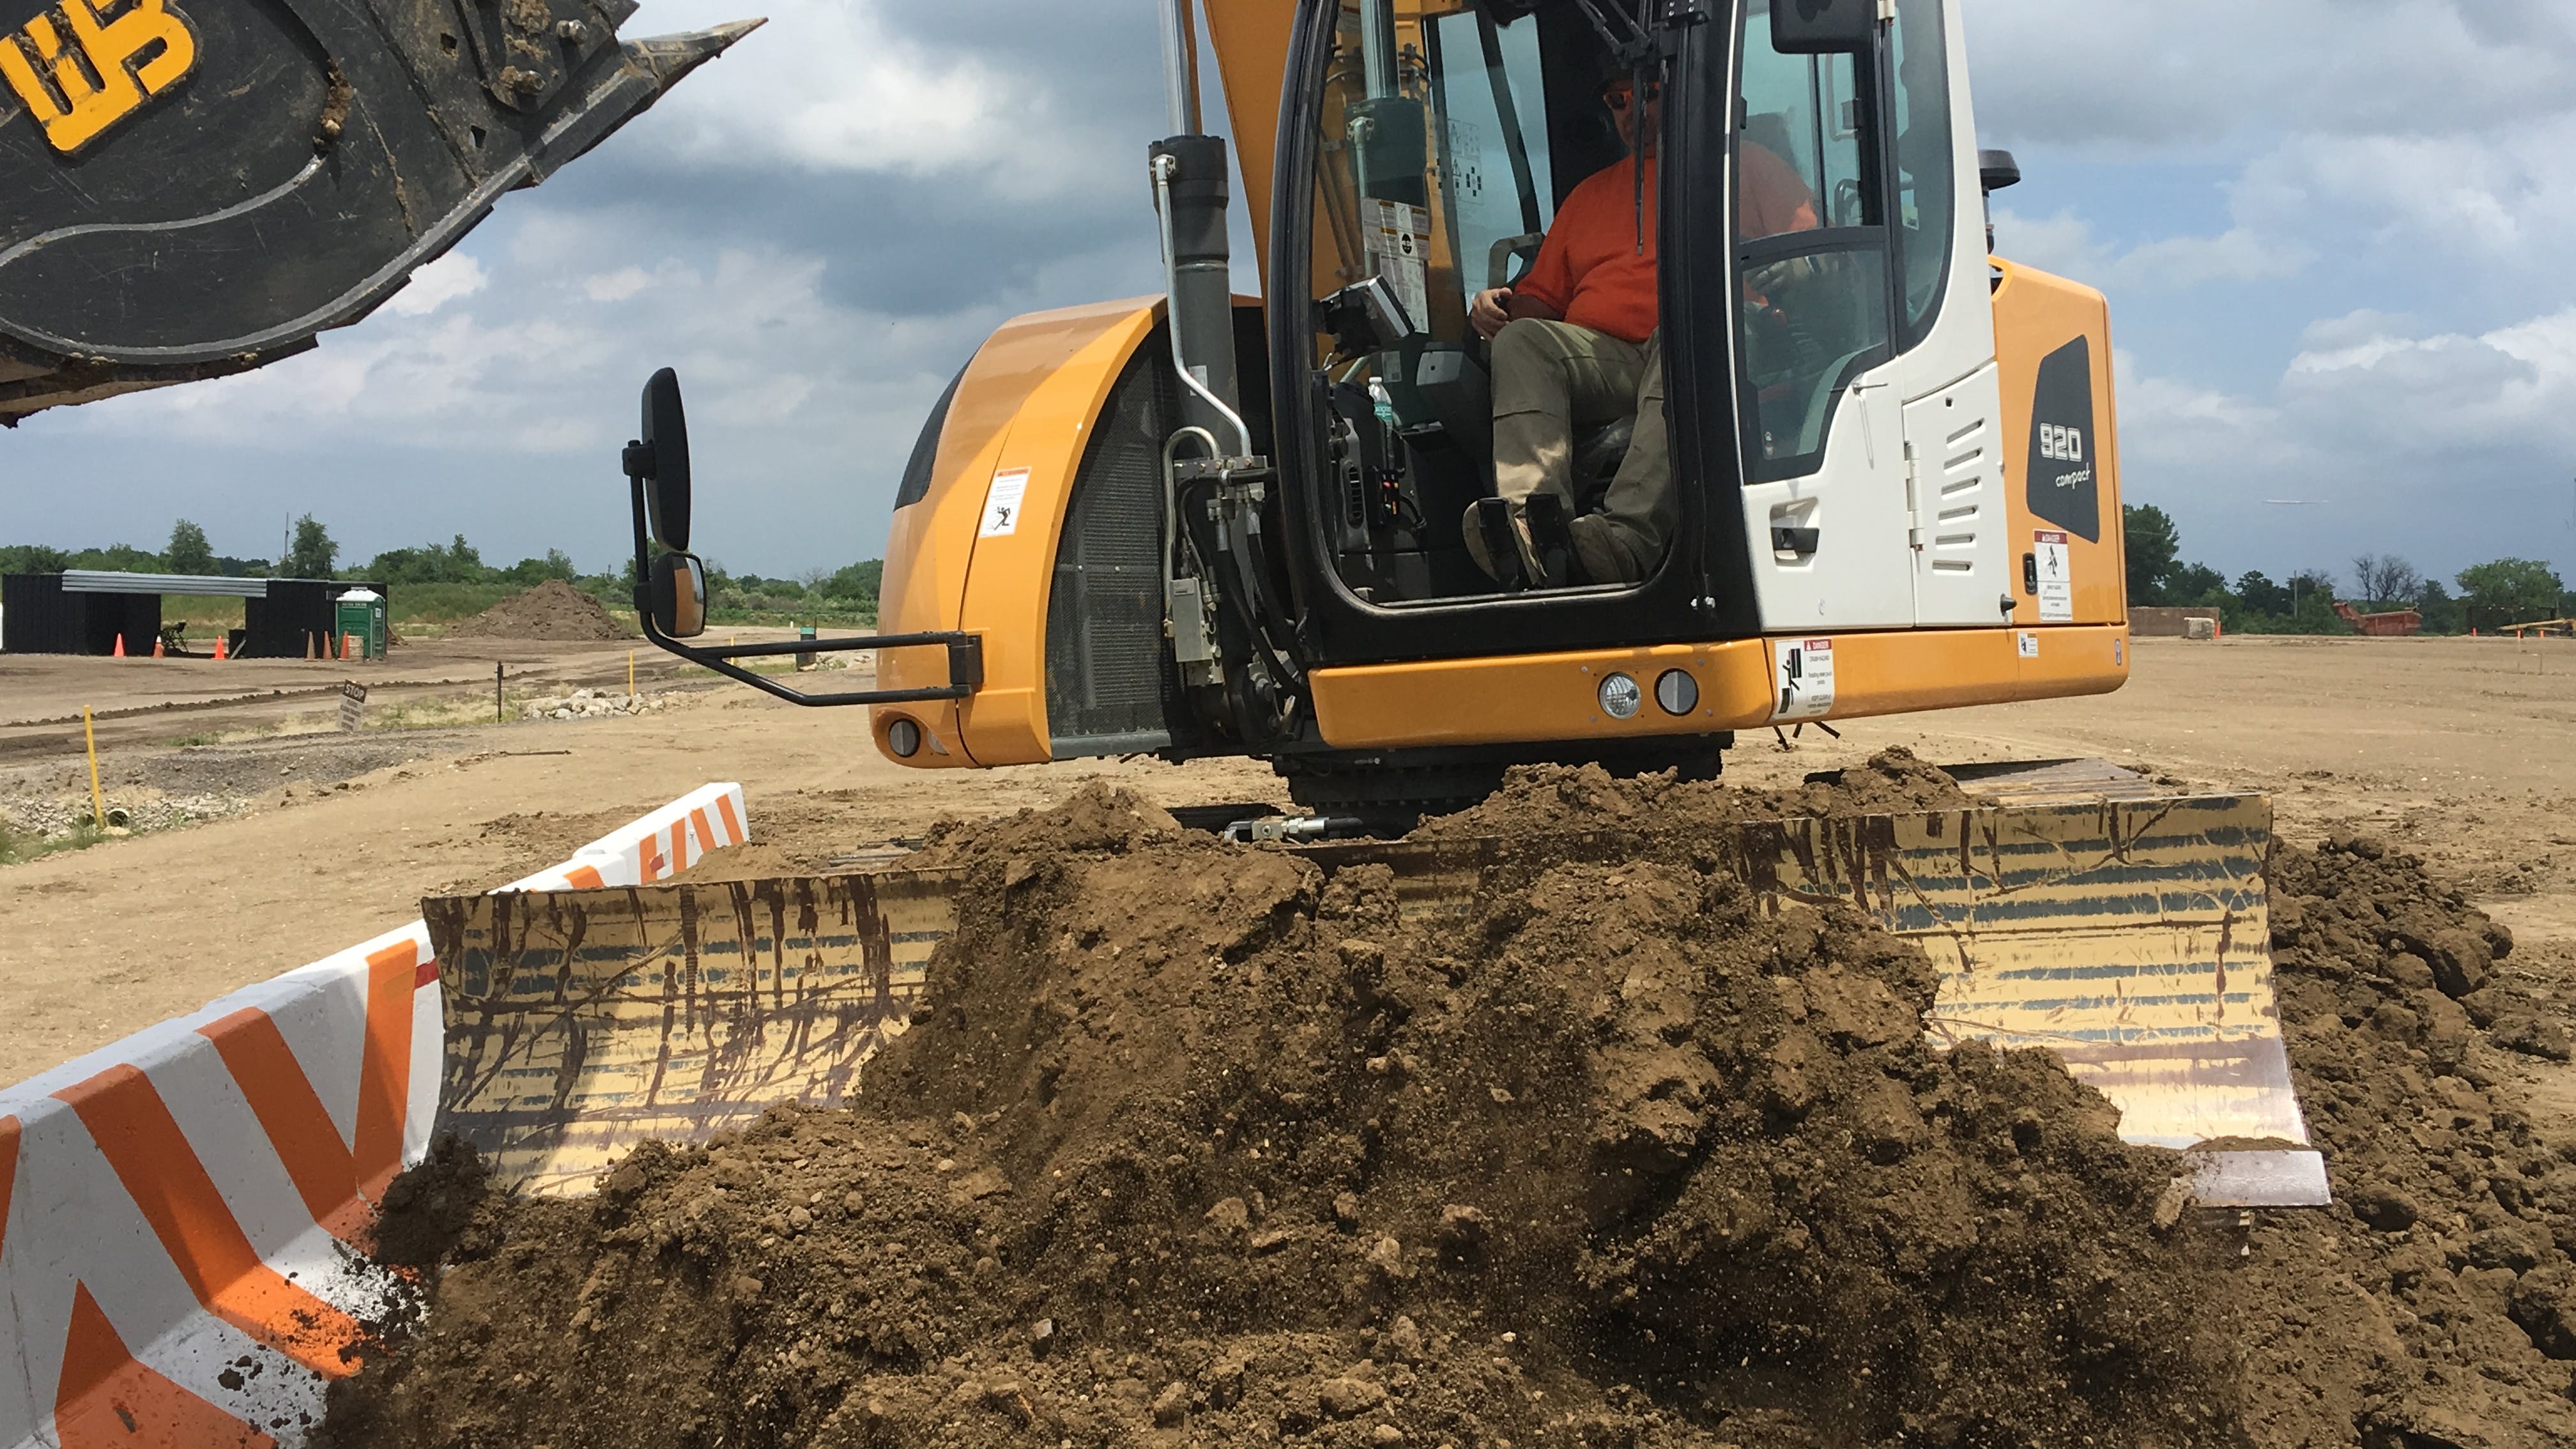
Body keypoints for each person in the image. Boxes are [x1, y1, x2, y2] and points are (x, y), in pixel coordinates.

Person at [1468, 73, 1818, 587]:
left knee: (1684, 331)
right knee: (1522, 342)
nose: (1633, 111)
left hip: (1719, 349)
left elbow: (1819, 258)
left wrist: (1802, 271)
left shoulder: (1748, 166)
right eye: (1618, 101)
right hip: (1613, 357)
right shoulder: (1589, 196)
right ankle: (1529, 529)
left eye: (1649, 93)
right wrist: (1489, 309)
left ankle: (1627, 537)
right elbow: (1538, 304)